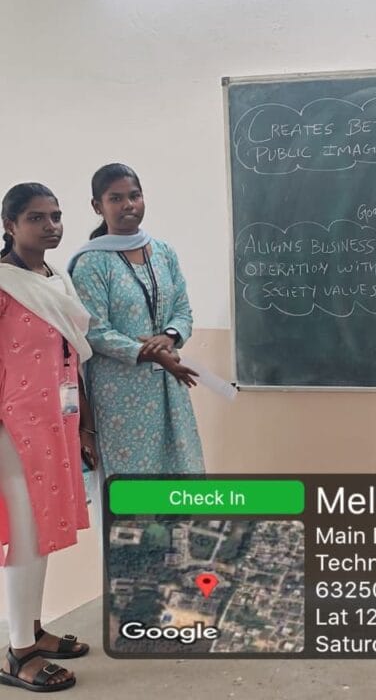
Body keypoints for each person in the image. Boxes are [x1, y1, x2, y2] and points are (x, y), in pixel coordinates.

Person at [0, 183, 95, 691]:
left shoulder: (55, 279)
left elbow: (70, 357)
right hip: (12, 428)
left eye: (56, 216)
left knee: (44, 531)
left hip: (56, 423)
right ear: (10, 225)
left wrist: (84, 424)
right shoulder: (3, 284)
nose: (51, 226)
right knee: (26, 532)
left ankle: (33, 631)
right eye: (37, 218)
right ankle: (17, 654)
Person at [69, 163, 204, 476]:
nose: (128, 205)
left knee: (178, 471)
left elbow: (182, 310)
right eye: (116, 198)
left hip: (169, 382)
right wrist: (148, 353)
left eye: (135, 196)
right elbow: (95, 331)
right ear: (97, 206)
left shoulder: (163, 252)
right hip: (120, 393)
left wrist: (169, 337)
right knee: (132, 478)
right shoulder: (91, 262)